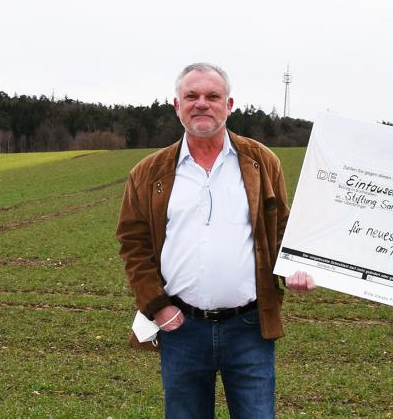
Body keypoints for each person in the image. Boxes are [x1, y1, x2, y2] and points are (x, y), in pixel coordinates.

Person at [116, 62, 315, 418]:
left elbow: (281, 226)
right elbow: (134, 244)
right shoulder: (148, 173)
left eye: (212, 96)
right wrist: (156, 305)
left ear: (229, 104)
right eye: (191, 96)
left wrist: (296, 267)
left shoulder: (261, 162)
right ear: (177, 106)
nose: (201, 104)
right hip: (181, 330)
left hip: (250, 328)